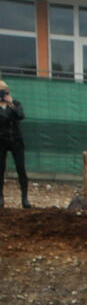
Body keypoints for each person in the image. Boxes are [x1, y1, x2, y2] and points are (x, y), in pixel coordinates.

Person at [0, 79, 30, 208]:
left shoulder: (16, 104)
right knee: (0, 169)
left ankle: (24, 198)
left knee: (21, 169)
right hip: (1, 141)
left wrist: (11, 103)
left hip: (16, 140)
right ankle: (0, 197)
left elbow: (21, 116)